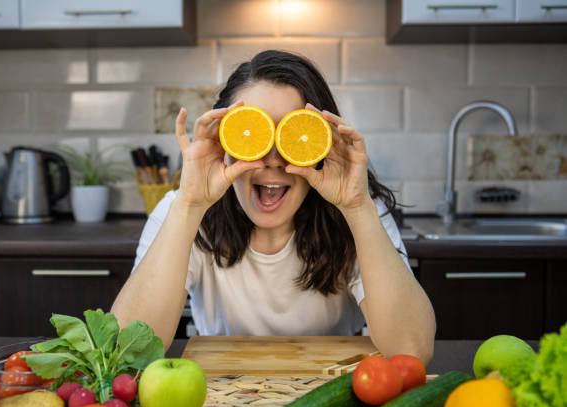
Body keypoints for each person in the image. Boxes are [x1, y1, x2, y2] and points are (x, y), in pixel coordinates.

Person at [111, 50, 436, 364]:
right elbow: (126, 351)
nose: (272, 159)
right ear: (223, 140)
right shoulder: (181, 211)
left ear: (321, 143)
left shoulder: (361, 210)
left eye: (292, 136)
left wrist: (357, 207)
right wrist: (189, 205)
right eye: (253, 135)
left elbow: (411, 350)